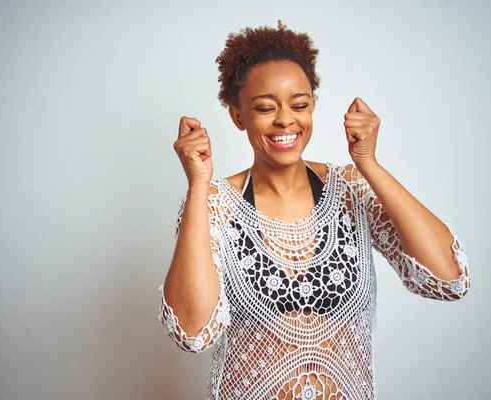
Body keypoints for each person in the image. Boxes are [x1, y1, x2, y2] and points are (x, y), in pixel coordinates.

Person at [157, 21, 471, 400]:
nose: (286, 119)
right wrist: (197, 185)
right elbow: (192, 333)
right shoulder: (215, 204)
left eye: (300, 105)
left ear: (313, 109)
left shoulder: (352, 189)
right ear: (238, 116)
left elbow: (449, 279)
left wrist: (368, 163)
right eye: (264, 107)